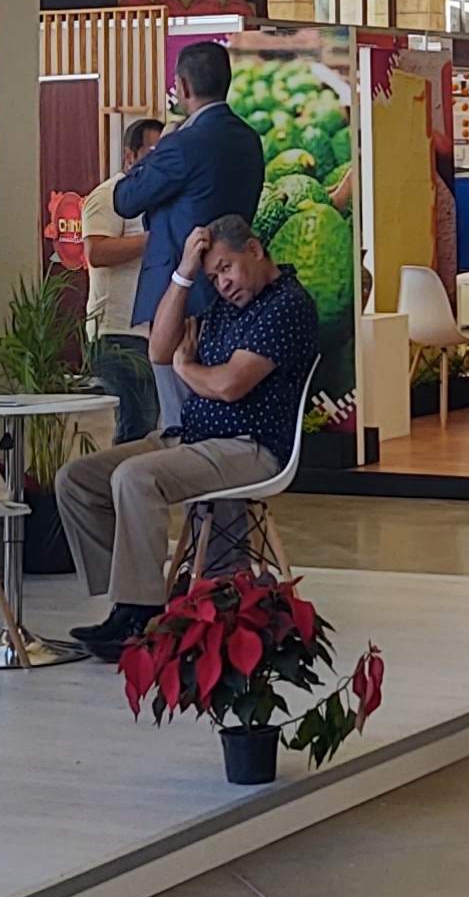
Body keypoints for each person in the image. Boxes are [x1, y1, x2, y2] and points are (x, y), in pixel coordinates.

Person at [57, 215, 323, 653]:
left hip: (249, 445)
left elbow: (229, 384)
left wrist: (186, 368)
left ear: (254, 250)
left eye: (226, 268)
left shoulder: (286, 305)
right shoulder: (224, 306)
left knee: (136, 478)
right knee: (77, 479)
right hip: (192, 436)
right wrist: (183, 273)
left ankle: (139, 613)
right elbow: (160, 350)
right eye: (213, 276)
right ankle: (123, 599)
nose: (223, 283)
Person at [108, 42, 265, 428]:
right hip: (236, 286)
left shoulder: (181, 145)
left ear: (182, 86)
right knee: (221, 405)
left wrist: (151, 155)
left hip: (182, 295)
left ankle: (185, 461)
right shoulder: (249, 139)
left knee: (178, 408)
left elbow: (125, 199)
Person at [82, 115, 167, 440]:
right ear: (130, 156)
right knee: (135, 427)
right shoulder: (108, 195)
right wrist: (156, 238)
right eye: (153, 152)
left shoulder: (159, 200)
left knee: (151, 427)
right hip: (118, 333)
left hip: (155, 333)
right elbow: (96, 252)